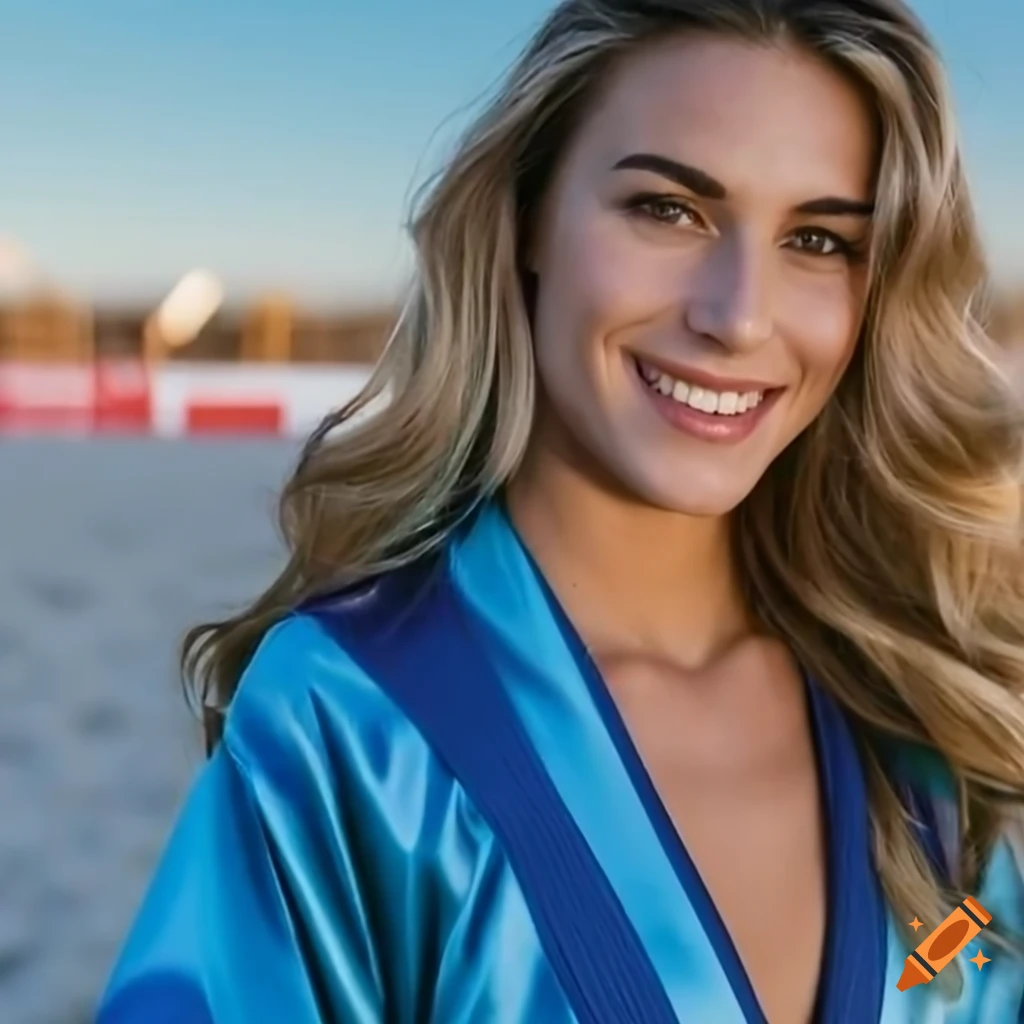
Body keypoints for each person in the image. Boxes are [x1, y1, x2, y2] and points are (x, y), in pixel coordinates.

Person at [96, 1, 1024, 1021]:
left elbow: (969, 975)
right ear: (529, 213)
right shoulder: (351, 721)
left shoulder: (918, 713)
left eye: (816, 238)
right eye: (668, 209)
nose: (738, 314)